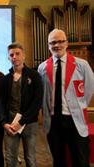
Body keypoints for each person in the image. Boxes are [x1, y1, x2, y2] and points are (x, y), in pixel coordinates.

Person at [38, 28, 94, 167]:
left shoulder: (81, 65)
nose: (57, 45)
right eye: (53, 42)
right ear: (48, 46)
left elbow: (89, 88)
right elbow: (43, 93)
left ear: (67, 43)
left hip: (74, 120)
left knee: (80, 160)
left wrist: (79, 105)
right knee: (59, 160)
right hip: (53, 121)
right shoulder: (42, 67)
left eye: (60, 41)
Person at [0, 43, 43, 167]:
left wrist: (22, 121)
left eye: (17, 54)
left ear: (23, 55)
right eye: (11, 55)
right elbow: (1, 102)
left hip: (29, 123)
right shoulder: (6, 79)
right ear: (8, 58)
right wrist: (4, 123)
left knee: (30, 158)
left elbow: (37, 102)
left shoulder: (34, 76)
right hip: (10, 124)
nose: (15, 57)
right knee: (10, 159)